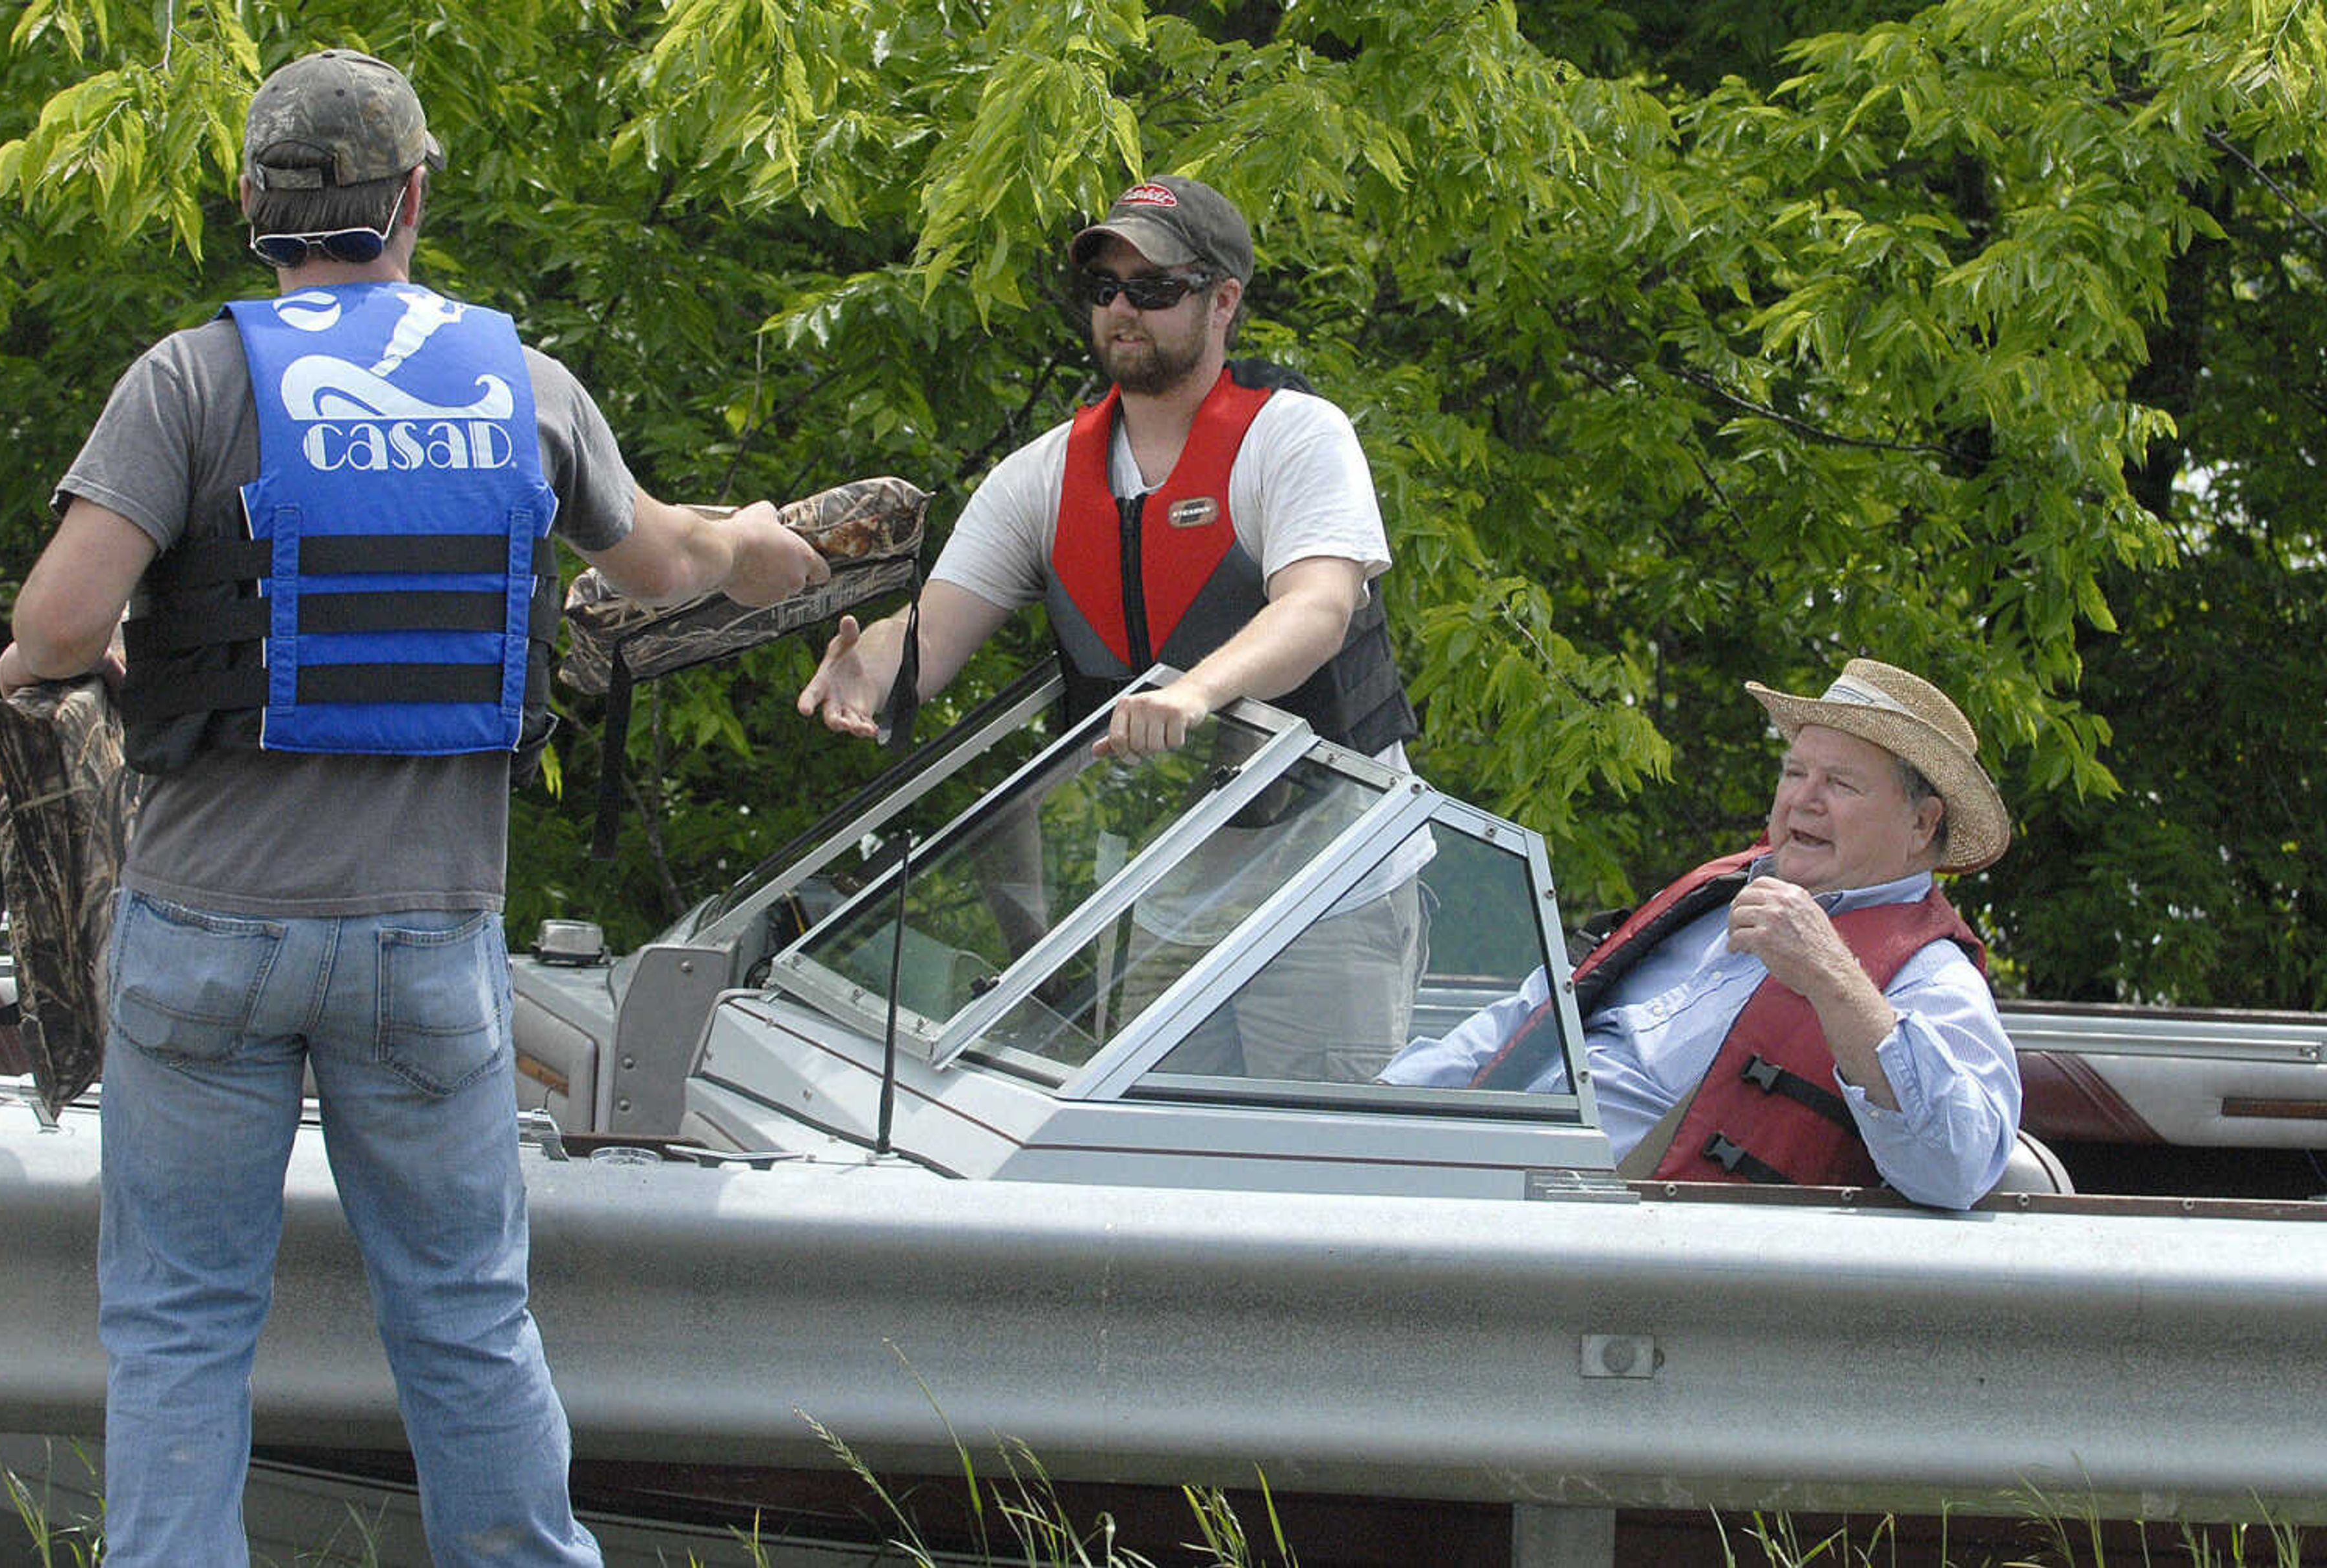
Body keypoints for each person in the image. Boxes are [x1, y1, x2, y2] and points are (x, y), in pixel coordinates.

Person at [0, 49, 826, 1566]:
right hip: (427, 937)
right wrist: (754, 542)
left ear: (256, 204)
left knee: (181, 1317)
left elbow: (58, 630)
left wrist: (46, 650)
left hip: (208, 928)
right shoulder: (524, 384)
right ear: (414, 197)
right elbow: (660, 564)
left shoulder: (188, 378)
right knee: (461, 1311)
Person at [797, 175, 1425, 1082]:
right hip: (1168, 900)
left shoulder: (1297, 437)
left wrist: (1198, 691)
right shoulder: (1043, 476)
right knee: (1144, 1174)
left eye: (1154, 288)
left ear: (1223, 303)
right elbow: (928, 632)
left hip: (1328, 884)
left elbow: (1319, 607)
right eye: (1106, 290)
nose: (1124, 309)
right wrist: (869, 672)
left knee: (1310, 1191)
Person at [1380, 659, 2022, 1211]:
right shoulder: (1716, 892)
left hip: (1615, 1271)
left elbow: (1958, 1166)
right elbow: (1535, 1014)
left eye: (1841, 783)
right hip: (1467, 1187)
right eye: (1796, 772)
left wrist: (1831, 973)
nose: (1804, 799)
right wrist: (1375, 1110)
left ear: (1922, 822)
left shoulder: (1933, 975)